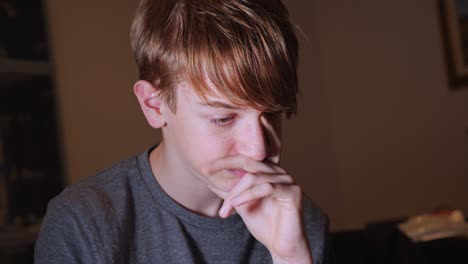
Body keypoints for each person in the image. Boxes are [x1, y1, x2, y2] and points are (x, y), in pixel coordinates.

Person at [35, 0, 333, 263]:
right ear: (154, 105)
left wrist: (291, 258)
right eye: (223, 118)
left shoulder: (300, 222)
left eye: (272, 114)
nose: (259, 149)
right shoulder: (83, 224)